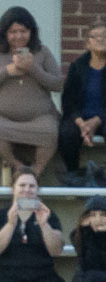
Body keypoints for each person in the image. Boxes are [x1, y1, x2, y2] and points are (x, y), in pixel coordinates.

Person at [0, 6, 62, 179]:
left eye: (23, 31)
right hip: (1, 119)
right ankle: (20, 168)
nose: (18, 36)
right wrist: (6, 72)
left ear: (32, 32)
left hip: (39, 118)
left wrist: (33, 68)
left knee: (51, 130)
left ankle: (35, 173)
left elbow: (57, 84)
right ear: (4, 33)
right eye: (12, 31)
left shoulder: (42, 52)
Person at [58, 21, 106, 183]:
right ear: (88, 43)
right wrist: (81, 123)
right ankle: (72, 173)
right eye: (96, 36)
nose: (101, 39)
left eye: (105, 36)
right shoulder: (78, 66)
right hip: (80, 118)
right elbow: (68, 100)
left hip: (103, 118)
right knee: (67, 132)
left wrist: (97, 120)